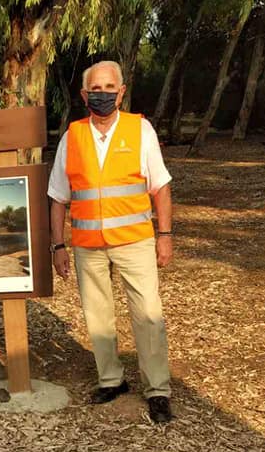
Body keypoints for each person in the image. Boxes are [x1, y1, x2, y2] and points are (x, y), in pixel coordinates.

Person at [48, 60, 174, 424]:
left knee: (148, 315)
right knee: (98, 315)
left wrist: (164, 236)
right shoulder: (72, 137)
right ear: (84, 95)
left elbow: (160, 187)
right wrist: (59, 246)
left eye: (109, 88)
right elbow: (58, 197)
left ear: (121, 92)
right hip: (88, 245)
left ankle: (158, 390)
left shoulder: (140, 130)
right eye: (94, 89)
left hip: (135, 242)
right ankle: (111, 379)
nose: (101, 95)